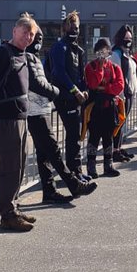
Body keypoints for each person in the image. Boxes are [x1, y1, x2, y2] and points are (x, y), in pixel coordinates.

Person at [0, 13, 37, 231]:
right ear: (14, 31)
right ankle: (7, 214)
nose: (29, 37)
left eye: (31, 34)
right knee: (10, 166)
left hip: (20, 117)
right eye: (25, 33)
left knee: (19, 166)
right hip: (7, 118)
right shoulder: (3, 53)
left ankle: (14, 206)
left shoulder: (22, 54)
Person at [26, 29, 96, 203]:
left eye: (40, 38)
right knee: (54, 151)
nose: (38, 41)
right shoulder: (27, 57)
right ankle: (74, 184)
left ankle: (49, 192)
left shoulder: (35, 57)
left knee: (44, 155)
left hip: (42, 109)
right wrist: (55, 91)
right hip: (35, 112)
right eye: (35, 37)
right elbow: (38, 83)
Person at [48, 11, 88, 180]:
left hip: (77, 99)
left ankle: (76, 170)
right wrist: (75, 90)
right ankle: (74, 172)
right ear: (64, 28)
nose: (74, 30)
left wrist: (84, 90)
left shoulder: (78, 50)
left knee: (76, 135)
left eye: (77, 28)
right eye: (71, 27)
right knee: (73, 135)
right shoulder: (59, 47)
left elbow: (81, 74)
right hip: (65, 98)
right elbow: (59, 73)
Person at [84, 38, 124, 177]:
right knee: (94, 137)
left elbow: (119, 85)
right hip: (95, 107)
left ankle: (108, 165)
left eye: (106, 50)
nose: (103, 54)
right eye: (100, 51)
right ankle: (91, 167)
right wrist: (100, 68)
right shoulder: (90, 66)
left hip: (109, 106)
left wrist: (105, 88)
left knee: (108, 136)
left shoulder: (114, 67)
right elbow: (93, 84)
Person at [110, 26, 137, 162]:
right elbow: (116, 77)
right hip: (121, 96)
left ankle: (119, 148)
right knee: (118, 123)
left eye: (130, 39)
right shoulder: (116, 54)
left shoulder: (128, 53)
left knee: (122, 123)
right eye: (126, 38)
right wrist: (119, 96)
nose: (128, 41)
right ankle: (114, 150)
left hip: (130, 94)